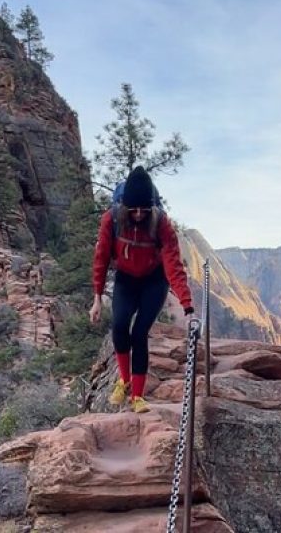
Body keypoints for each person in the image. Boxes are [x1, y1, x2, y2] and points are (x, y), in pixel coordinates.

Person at [89, 166, 194, 413]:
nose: (138, 214)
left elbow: (173, 265)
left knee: (139, 334)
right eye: (133, 209)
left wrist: (187, 306)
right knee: (119, 325)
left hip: (153, 281)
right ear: (124, 206)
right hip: (126, 278)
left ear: (152, 207)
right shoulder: (111, 219)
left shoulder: (161, 223)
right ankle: (124, 381)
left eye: (143, 210)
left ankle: (137, 396)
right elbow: (101, 258)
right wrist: (96, 298)